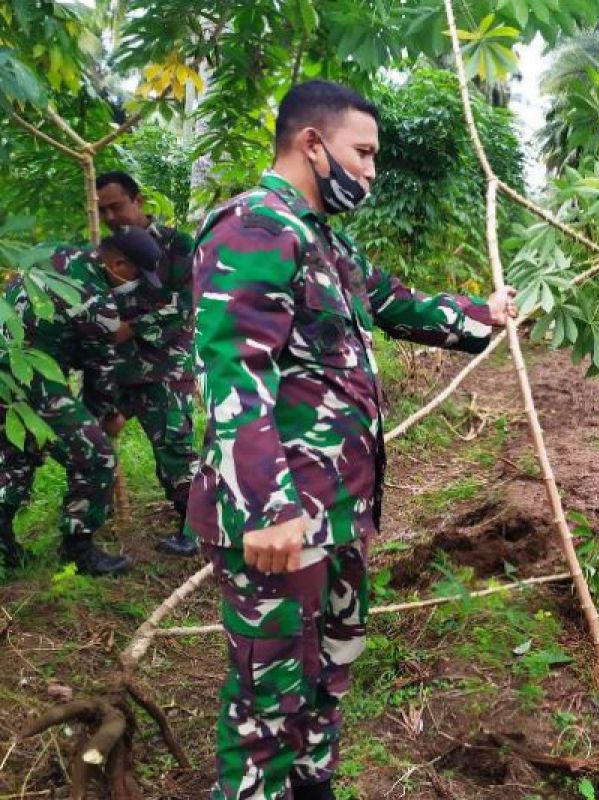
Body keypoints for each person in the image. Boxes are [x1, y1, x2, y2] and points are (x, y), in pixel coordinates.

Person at [187, 79, 515, 800]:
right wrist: (269, 508)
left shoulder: (325, 244)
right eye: (362, 152)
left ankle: (313, 789)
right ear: (312, 143)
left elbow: (400, 304)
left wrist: (483, 316)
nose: (370, 170)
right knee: (267, 704)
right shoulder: (255, 227)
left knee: (326, 674)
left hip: (336, 513)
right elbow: (233, 372)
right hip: (281, 519)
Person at [0, 229, 165, 576]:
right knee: (96, 455)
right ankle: (79, 549)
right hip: (34, 378)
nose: (134, 283)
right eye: (135, 274)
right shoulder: (97, 304)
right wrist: (103, 418)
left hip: (7, 369)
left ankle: (3, 549)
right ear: (118, 263)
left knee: (16, 456)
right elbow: (99, 373)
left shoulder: (53, 252)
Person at [94, 170, 199, 556]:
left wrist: (130, 327)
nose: (110, 217)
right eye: (102, 210)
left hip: (165, 366)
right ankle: (90, 522)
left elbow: (185, 307)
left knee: (173, 452)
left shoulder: (177, 245)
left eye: (117, 207)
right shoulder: (103, 251)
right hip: (118, 369)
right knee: (90, 436)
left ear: (138, 202)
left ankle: (197, 528)